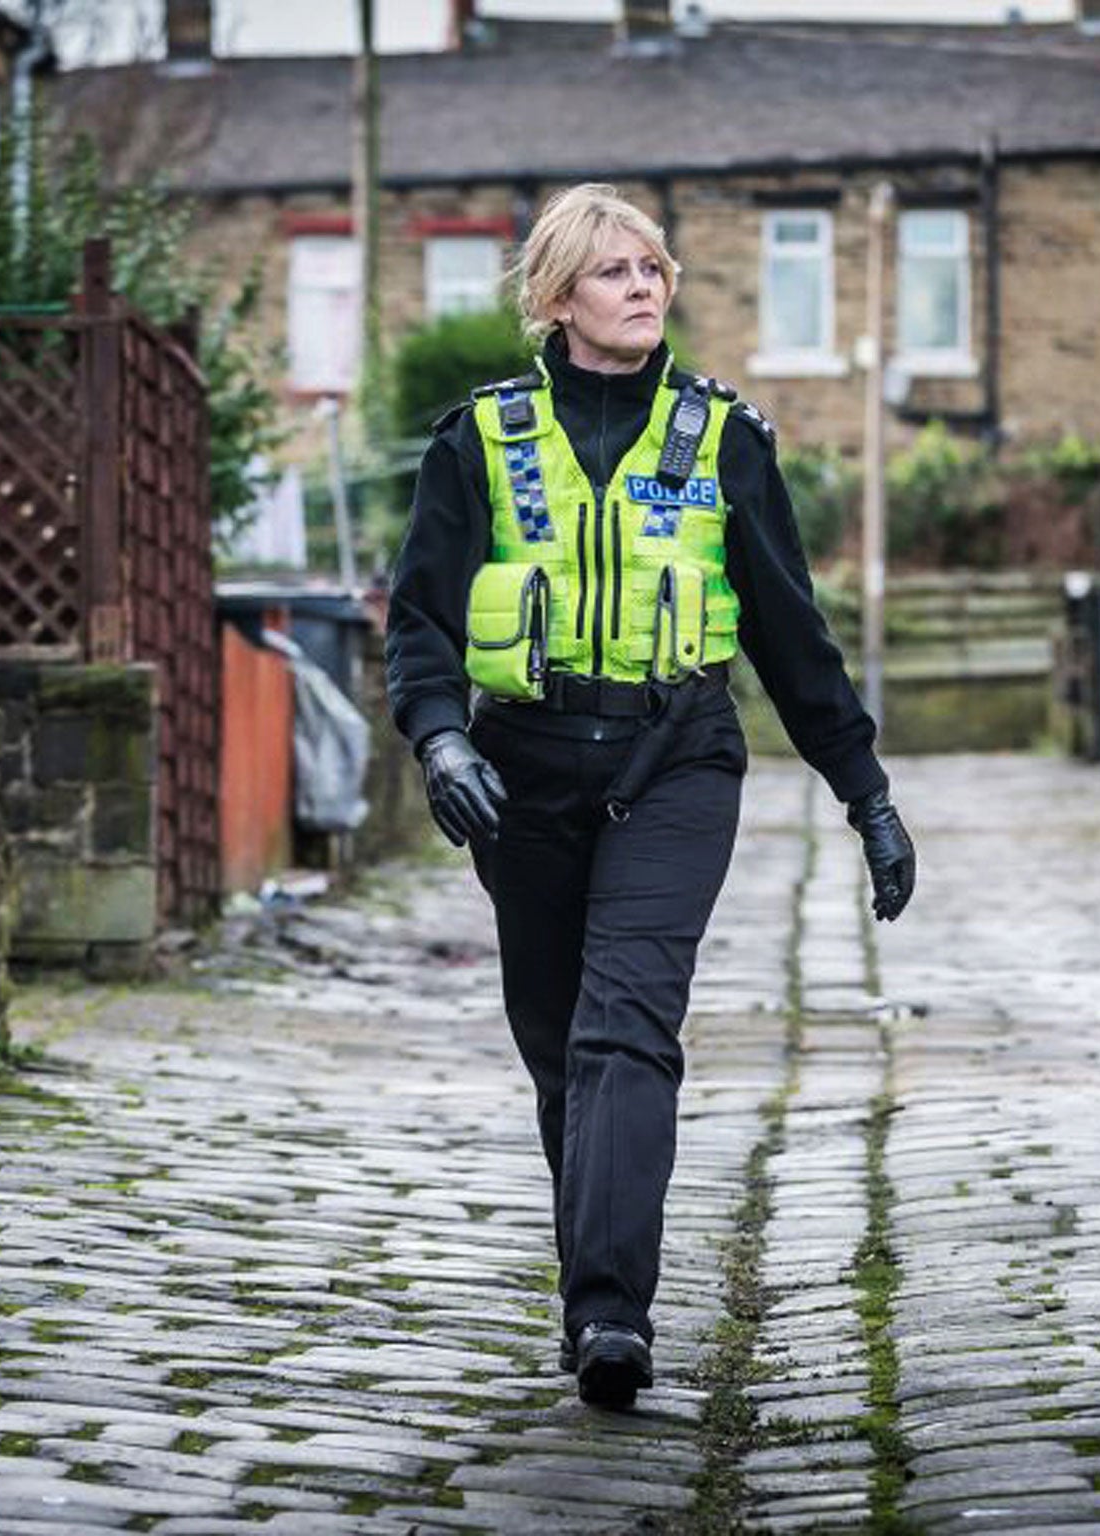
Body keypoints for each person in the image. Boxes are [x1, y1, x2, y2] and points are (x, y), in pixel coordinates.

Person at [385, 183, 915, 1409]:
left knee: (627, 1026)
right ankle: (594, 1288)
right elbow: (416, 619)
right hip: (520, 772)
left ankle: (610, 1316)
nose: (643, 288)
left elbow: (791, 634)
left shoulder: (723, 436)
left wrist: (864, 795)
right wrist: (441, 743)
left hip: (675, 757)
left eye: (653, 269)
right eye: (615, 272)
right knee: (560, 1050)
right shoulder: (481, 439)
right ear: (557, 296)